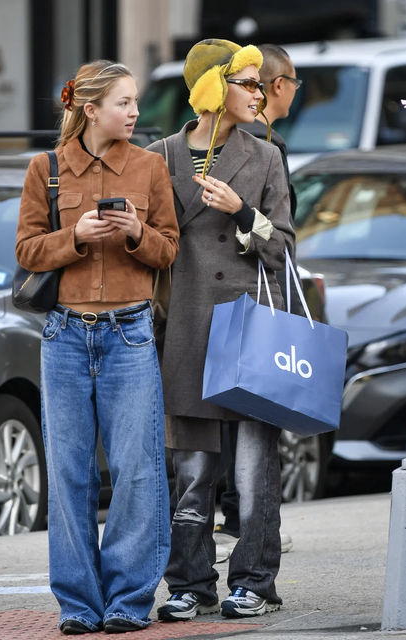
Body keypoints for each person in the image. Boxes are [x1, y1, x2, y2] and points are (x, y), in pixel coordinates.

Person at [15, 60, 179, 635]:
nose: (135, 112)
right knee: (69, 475)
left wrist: (136, 233)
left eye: (135, 102)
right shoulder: (46, 170)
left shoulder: (151, 167)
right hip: (63, 336)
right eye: (124, 103)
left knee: (136, 473)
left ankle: (129, 602)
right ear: (90, 110)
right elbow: (28, 252)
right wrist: (75, 238)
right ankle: (80, 606)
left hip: (130, 334)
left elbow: (168, 252)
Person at [147, 39, 295, 620]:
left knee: (254, 471)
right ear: (214, 87)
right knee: (191, 472)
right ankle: (190, 582)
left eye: (262, 84)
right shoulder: (159, 157)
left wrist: (240, 210)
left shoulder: (264, 157)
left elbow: (281, 247)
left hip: (251, 327)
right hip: (184, 328)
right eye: (249, 83)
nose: (260, 94)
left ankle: (256, 581)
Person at [217, 43, 302, 547]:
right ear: (276, 85)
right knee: (250, 419)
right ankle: (242, 523)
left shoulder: (229, 143)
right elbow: (280, 239)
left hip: (223, 300)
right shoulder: (268, 148)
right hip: (254, 298)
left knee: (228, 422)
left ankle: (234, 523)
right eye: (292, 82)